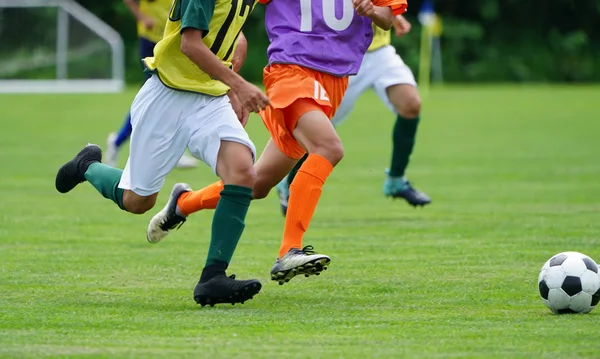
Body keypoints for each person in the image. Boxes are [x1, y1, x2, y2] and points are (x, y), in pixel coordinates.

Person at [146, 0, 408, 285]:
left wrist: (372, 11)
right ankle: (289, 250)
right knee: (328, 148)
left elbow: (386, 18)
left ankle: (183, 204)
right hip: (291, 71)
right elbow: (233, 9)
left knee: (256, 185)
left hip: (335, 79)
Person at [55, 0, 269, 307]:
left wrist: (232, 91)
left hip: (209, 99)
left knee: (243, 172)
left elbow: (237, 35)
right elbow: (190, 45)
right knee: (137, 201)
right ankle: (87, 165)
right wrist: (239, 84)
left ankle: (213, 278)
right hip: (166, 95)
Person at [275, 14, 430, 216]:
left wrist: (393, 13)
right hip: (341, 53)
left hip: (379, 52)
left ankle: (396, 180)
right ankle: (288, 183)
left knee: (411, 104)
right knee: (317, 128)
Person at [105, 0, 198, 169]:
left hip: (170, 38)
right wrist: (143, 18)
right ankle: (118, 142)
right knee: (154, 98)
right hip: (152, 40)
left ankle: (172, 150)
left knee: (171, 94)